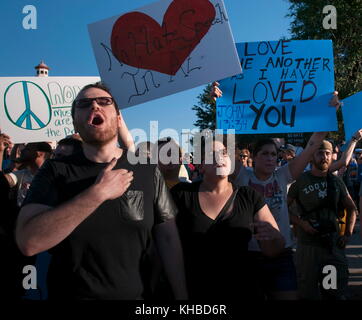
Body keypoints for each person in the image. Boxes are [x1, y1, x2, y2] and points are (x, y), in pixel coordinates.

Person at [15, 82, 187, 300]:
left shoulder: (147, 169)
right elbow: (28, 242)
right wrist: (96, 194)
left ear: (118, 118)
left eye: (104, 101)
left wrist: (182, 299)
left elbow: (168, 239)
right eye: (84, 104)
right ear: (75, 122)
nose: (94, 106)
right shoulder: (55, 170)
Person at [211, 81, 341, 299]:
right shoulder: (242, 175)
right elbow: (226, 143)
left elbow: (312, 145)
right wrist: (220, 106)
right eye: (265, 154)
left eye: (274, 154)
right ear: (253, 157)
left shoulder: (284, 175)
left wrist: (328, 112)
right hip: (248, 255)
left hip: (282, 254)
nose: (271, 158)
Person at [171, 137, 285, 299]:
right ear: (201, 165)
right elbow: (165, 242)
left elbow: (273, 249)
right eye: (212, 154)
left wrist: (274, 236)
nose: (220, 157)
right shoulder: (181, 194)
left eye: (224, 153)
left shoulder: (249, 196)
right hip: (194, 291)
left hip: (242, 290)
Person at [288, 140, 357, 300]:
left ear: (332, 156)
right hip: (307, 249)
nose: (324, 157)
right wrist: (301, 223)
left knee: (331, 291)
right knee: (307, 293)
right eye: (320, 153)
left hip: (331, 248)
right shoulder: (301, 181)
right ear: (312, 156)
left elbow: (352, 208)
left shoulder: (336, 181)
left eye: (327, 153)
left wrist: (347, 234)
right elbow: (283, 208)